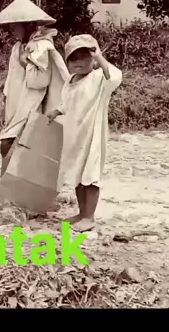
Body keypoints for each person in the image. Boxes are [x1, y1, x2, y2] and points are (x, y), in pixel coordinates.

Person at [46, 34, 123, 232]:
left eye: (83, 57)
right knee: (77, 176)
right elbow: (66, 103)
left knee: (90, 176)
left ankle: (89, 217)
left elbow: (114, 77)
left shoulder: (98, 79)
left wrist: (99, 58)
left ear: (92, 59)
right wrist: (55, 112)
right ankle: (81, 213)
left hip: (91, 135)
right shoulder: (70, 82)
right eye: (73, 58)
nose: (78, 62)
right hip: (74, 135)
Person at [0, 0, 70, 175]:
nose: (12, 31)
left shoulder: (41, 47)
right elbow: (11, 78)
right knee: (12, 144)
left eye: (15, 27)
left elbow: (40, 81)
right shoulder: (17, 47)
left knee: (10, 143)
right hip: (16, 103)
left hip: (32, 104)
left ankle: (12, 185)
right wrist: (5, 101)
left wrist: (25, 63)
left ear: (27, 25)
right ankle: (10, 184)